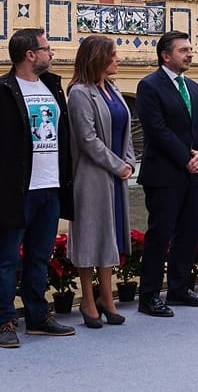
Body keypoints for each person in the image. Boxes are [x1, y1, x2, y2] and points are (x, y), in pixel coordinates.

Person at [0, 27, 77, 348]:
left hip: (51, 187)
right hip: (17, 191)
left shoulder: (53, 86)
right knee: (8, 258)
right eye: (46, 48)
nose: (51, 54)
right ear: (30, 55)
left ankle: (38, 317)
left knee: (40, 256)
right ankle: (4, 320)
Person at [135, 31, 198, 317]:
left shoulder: (192, 86)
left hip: (192, 172)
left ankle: (180, 288)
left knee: (188, 232)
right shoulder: (149, 86)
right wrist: (186, 158)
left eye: (191, 49)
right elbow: (157, 130)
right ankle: (150, 295)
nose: (190, 54)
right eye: (183, 50)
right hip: (164, 173)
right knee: (160, 234)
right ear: (166, 56)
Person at [67, 35, 134, 328]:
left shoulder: (114, 89)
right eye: (113, 55)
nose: (118, 59)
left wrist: (129, 161)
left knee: (110, 236)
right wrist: (117, 166)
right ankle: (88, 299)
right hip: (92, 176)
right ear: (97, 58)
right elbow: (87, 139)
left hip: (116, 174)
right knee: (90, 235)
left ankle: (108, 297)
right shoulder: (80, 93)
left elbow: (126, 130)